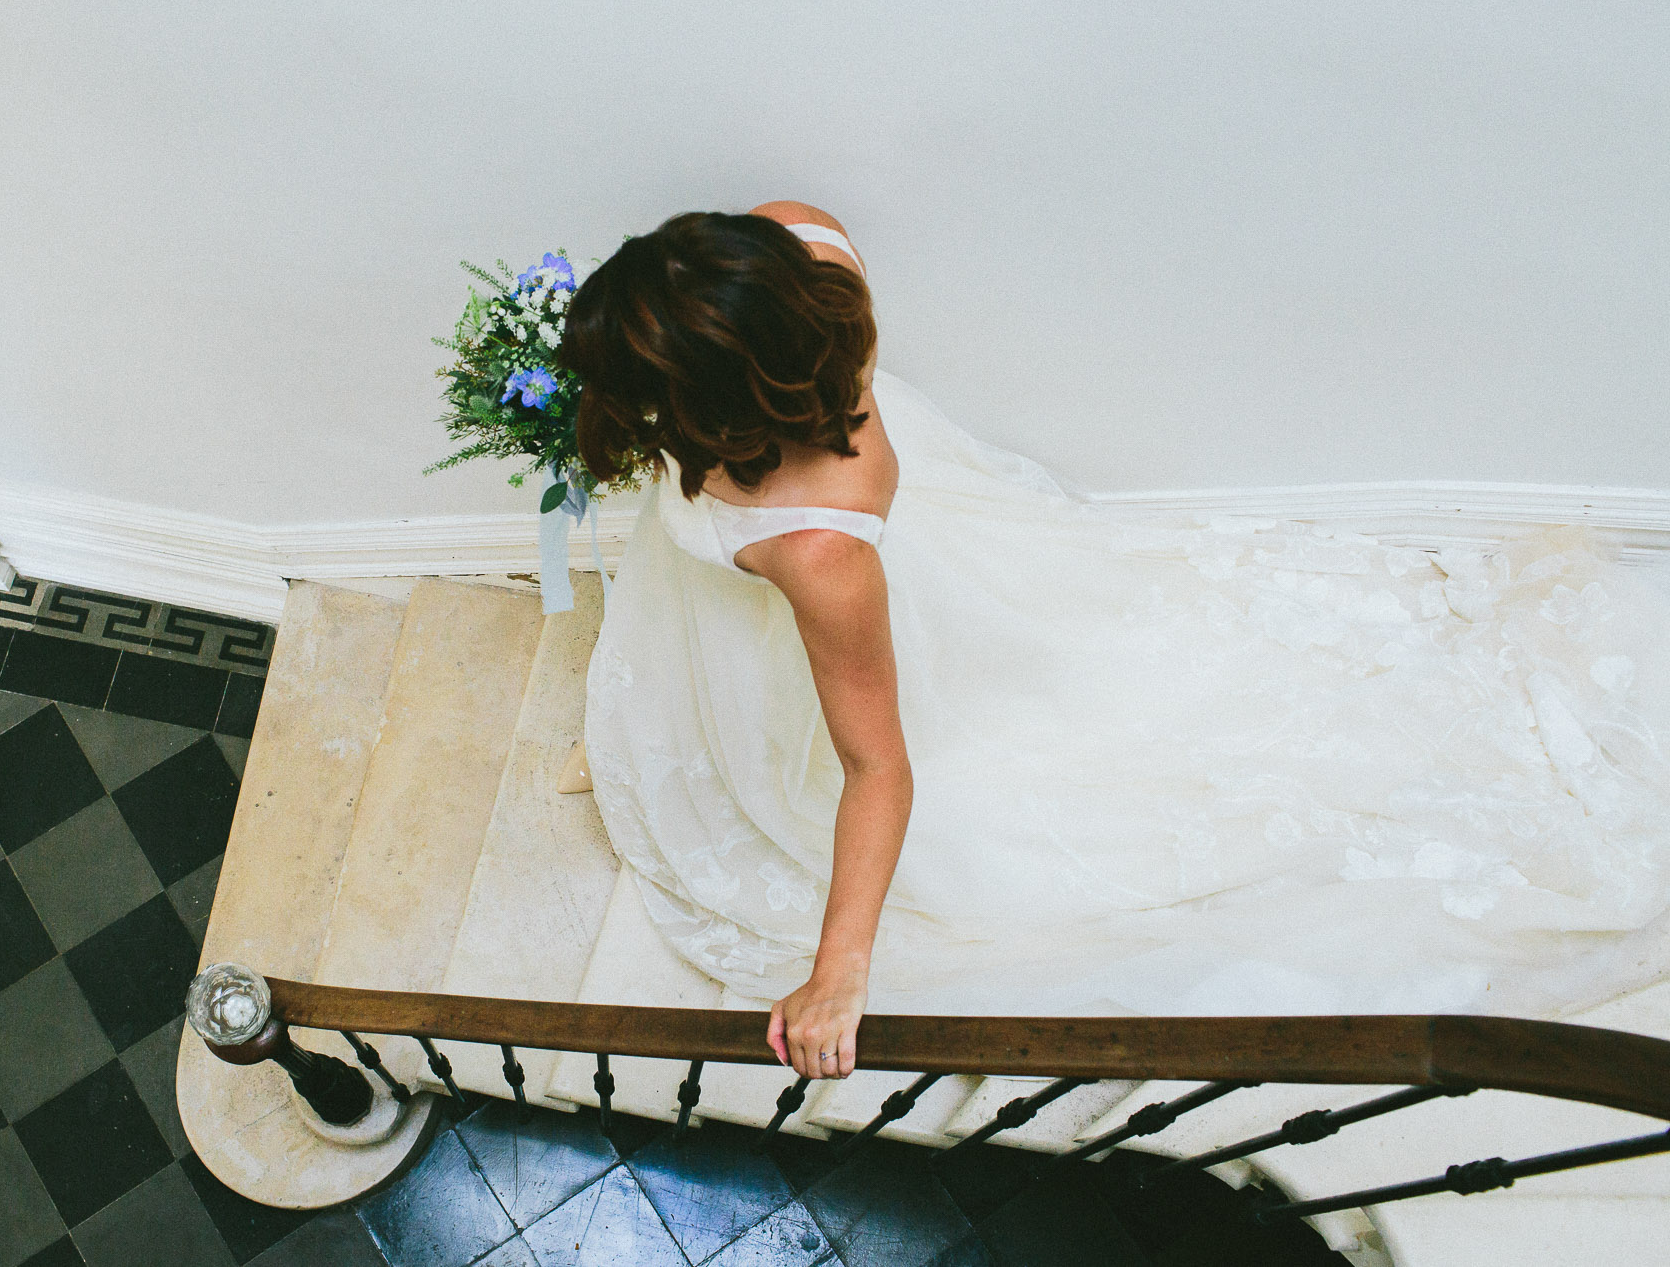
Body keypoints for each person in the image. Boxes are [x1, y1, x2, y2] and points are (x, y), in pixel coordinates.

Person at [555, 203, 1670, 1082]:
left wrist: (840, 964)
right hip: (913, 542)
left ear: (714, 403)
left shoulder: (819, 560)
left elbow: (874, 765)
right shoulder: (807, 245)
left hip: (854, 621)